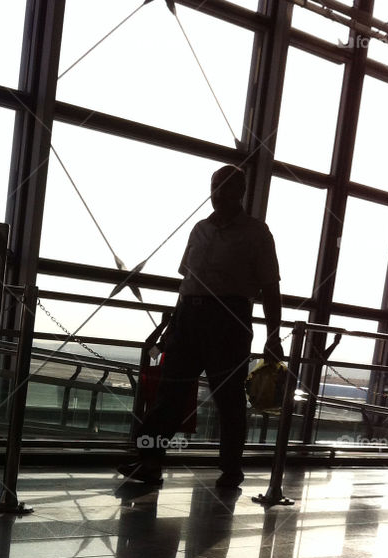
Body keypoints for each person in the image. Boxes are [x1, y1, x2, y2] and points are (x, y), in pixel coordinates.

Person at [119, 165, 283, 490]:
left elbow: (271, 289)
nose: (217, 193)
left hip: (229, 322)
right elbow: (188, 283)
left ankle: (231, 468)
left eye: (224, 187)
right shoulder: (199, 229)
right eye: (214, 186)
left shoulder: (256, 233)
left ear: (240, 192)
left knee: (228, 399)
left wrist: (273, 335)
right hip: (188, 319)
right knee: (170, 393)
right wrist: (173, 326)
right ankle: (149, 461)